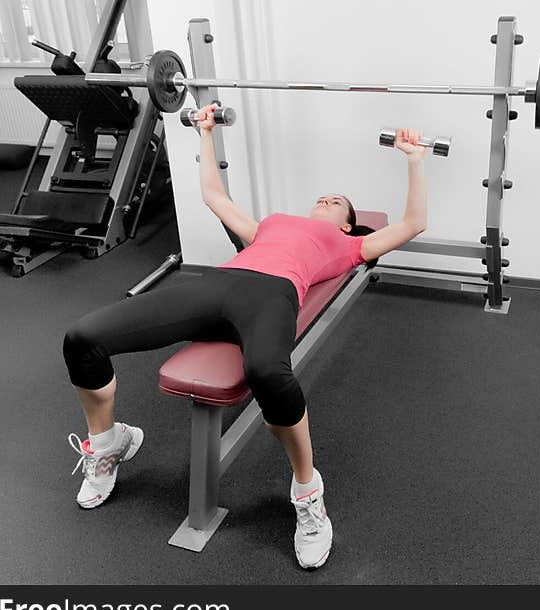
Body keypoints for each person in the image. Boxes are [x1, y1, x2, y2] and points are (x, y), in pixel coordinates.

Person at [62, 103, 429, 569]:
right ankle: (109, 440)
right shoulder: (269, 226)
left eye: (338, 202)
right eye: (323, 196)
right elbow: (215, 196)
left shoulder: (350, 244)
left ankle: (307, 492)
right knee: (82, 338)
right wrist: (205, 132)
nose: (327, 199)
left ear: (346, 223)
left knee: (267, 374)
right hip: (218, 283)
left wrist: (415, 160)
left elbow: (414, 224)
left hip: (272, 296)